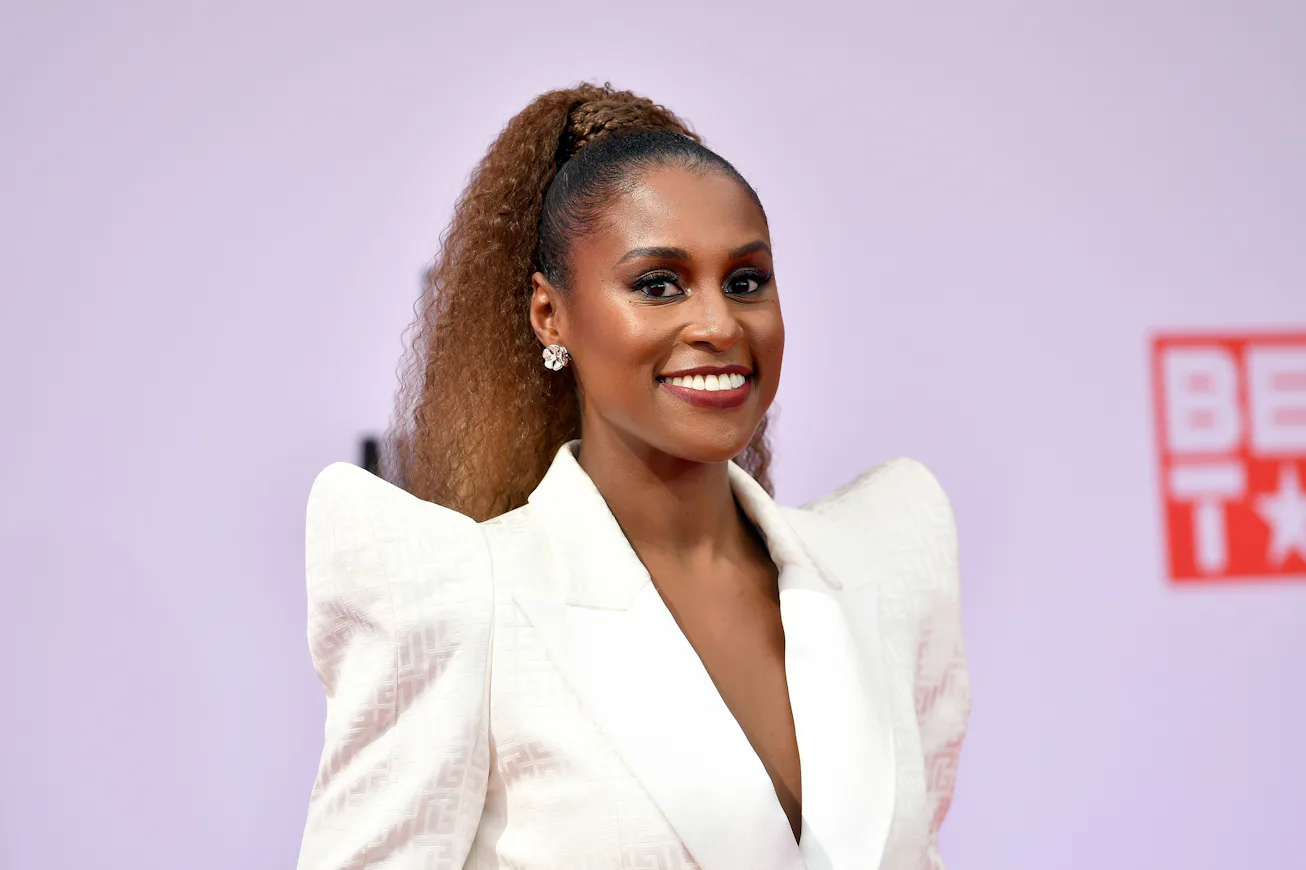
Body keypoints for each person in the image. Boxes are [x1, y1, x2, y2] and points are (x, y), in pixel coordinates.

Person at [295, 82, 970, 870]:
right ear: (550, 315)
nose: (719, 323)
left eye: (747, 281)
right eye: (659, 285)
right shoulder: (466, 603)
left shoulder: (878, 569)